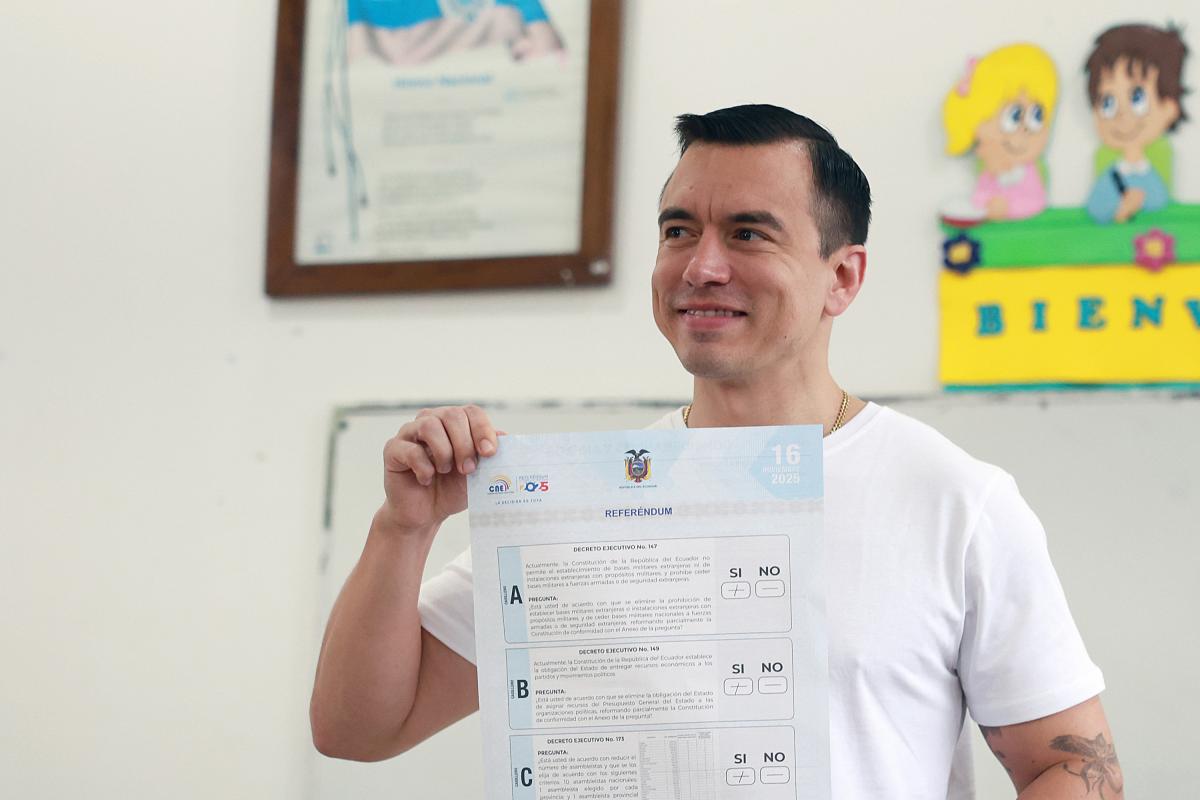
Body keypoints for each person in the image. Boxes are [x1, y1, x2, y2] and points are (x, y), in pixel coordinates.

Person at [309, 104, 1122, 798]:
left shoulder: (954, 500)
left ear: (842, 277)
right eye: (678, 231)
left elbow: (1072, 766)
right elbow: (357, 729)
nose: (701, 266)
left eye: (747, 233)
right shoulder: (573, 505)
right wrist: (403, 529)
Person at [1084, 23, 1189, 224]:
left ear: (1169, 107)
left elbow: (1159, 199)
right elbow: (1096, 208)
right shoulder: (1111, 173)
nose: (1122, 115)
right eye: (1108, 103)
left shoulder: (1152, 168)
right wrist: (1118, 209)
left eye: (1137, 98)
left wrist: (1139, 200)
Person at [942, 43, 1058, 221]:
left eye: (1037, 115)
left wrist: (1007, 207)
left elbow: (1035, 201)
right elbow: (979, 197)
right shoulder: (988, 169)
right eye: (1015, 116)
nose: (1025, 130)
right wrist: (988, 204)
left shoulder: (1029, 171)